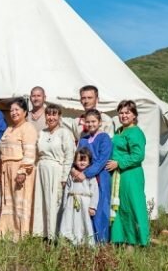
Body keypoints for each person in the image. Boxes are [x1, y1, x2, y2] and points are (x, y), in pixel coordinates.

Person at [107, 100, 149, 247]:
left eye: (127, 112)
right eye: (121, 113)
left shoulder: (135, 132)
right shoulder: (119, 131)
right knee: (120, 206)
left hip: (130, 174)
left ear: (134, 115)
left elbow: (138, 155)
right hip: (119, 175)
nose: (124, 115)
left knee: (132, 206)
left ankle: (133, 241)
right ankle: (119, 239)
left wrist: (119, 163)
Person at [32, 103, 75, 241]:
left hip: (56, 170)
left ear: (59, 116)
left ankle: (54, 235)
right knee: (41, 201)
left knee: (54, 202)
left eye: (54, 114)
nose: (51, 117)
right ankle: (41, 233)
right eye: (48, 114)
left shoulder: (65, 133)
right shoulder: (42, 133)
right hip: (41, 169)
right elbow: (36, 154)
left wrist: (64, 177)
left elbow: (69, 155)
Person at [0, 98, 38, 241]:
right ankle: (7, 234)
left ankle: (21, 235)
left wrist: (22, 171)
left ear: (25, 112)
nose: (13, 113)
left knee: (19, 203)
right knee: (8, 203)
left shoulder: (28, 128)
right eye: (11, 110)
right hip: (6, 169)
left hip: (20, 169)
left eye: (17, 110)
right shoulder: (9, 128)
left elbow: (29, 152)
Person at [72, 109, 113, 243]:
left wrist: (86, 173)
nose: (90, 124)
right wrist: (75, 171)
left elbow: (102, 160)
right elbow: (77, 158)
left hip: (100, 177)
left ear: (99, 122)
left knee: (99, 210)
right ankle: (85, 241)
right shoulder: (83, 140)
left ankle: (100, 243)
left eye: (93, 121)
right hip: (83, 178)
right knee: (84, 209)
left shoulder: (104, 138)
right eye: (88, 122)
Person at [59, 148, 99, 246]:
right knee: (69, 221)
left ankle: (85, 244)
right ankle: (68, 242)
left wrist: (93, 206)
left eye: (84, 160)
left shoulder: (90, 176)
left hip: (85, 203)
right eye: (79, 160)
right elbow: (67, 190)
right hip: (71, 202)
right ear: (75, 161)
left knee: (83, 222)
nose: (81, 162)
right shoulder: (71, 175)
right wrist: (64, 204)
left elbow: (95, 191)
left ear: (89, 161)